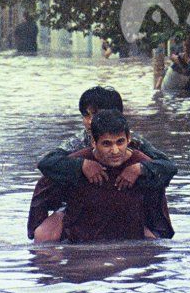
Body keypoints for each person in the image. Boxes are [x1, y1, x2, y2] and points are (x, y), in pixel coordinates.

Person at [34, 86, 177, 241]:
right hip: (78, 205)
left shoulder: (132, 142)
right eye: (86, 115)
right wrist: (82, 165)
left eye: (95, 115)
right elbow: (47, 163)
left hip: (126, 205)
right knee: (44, 236)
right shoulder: (80, 141)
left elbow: (167, 166)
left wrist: (139, 168)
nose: (89, 121)